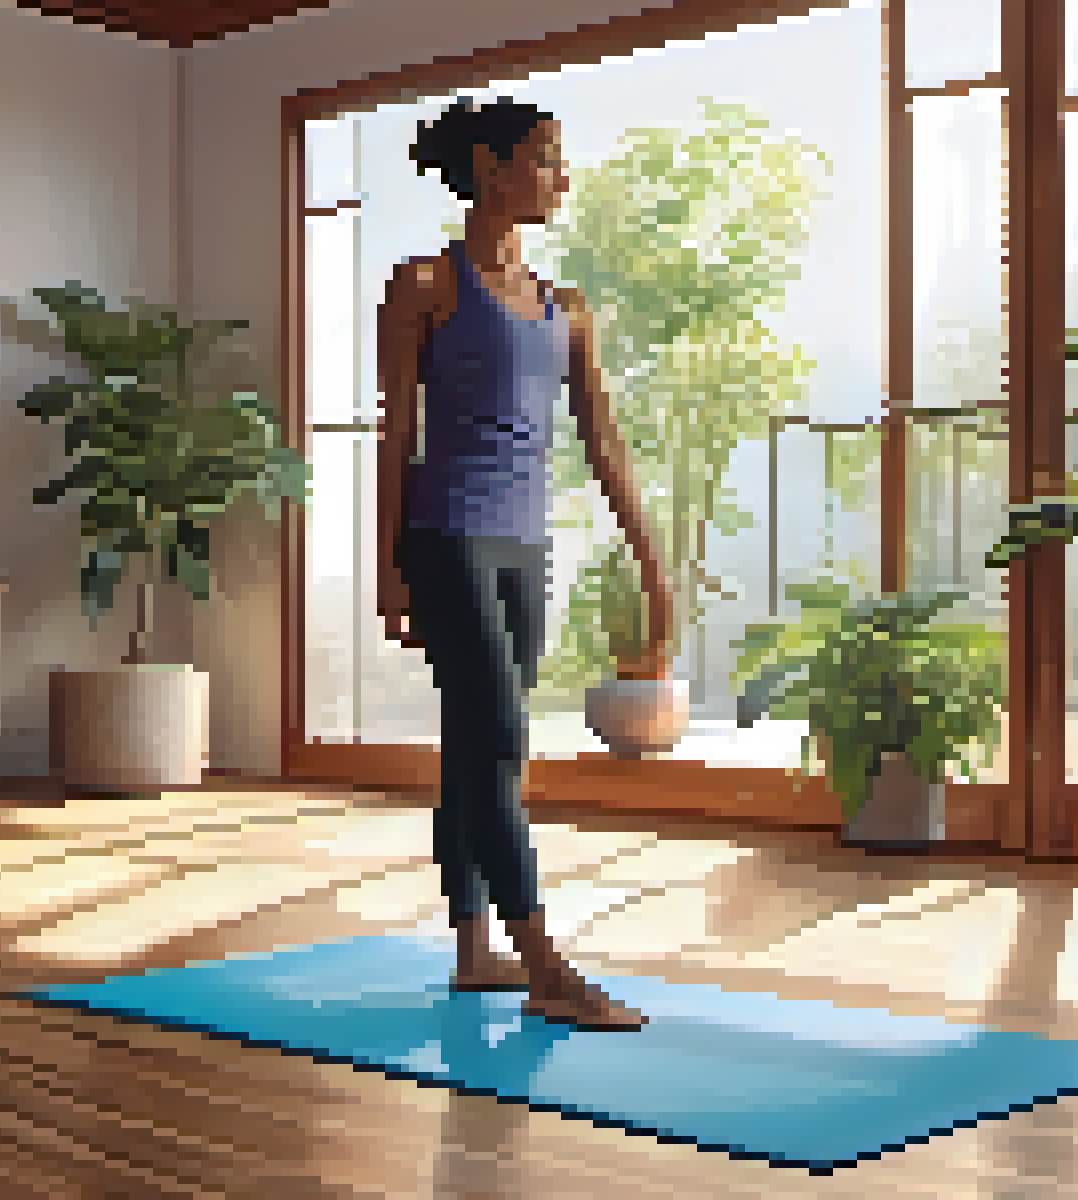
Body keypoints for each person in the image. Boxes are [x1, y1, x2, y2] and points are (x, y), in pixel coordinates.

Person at [375, 96, 672, 1032]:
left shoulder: (565, 308)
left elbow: (604, 442)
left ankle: (474, 947)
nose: (560, 177)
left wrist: (652, 561)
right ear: (491, 168)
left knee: (476, 744)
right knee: (500, 737)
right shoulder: (425, 284)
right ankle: (545, 965)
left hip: (524, 543)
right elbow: (398, 435)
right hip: (448, 535)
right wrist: (389, 566)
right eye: (545, 158)